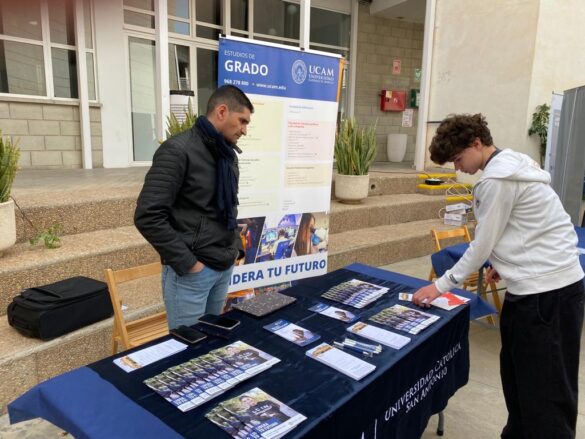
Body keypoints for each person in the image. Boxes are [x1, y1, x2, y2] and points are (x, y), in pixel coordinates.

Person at [413, 113, 584, 439]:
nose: (458, 168)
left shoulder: (497, 180)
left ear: (477, 143)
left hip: (546, 293)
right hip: (545, 287)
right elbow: (525, 225)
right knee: (520, 378)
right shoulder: (513, 164)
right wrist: (503, 261)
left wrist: (440, 286)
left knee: (545, 391)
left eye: (458, 158)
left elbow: (480, 245)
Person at [135, 85, 254, 330]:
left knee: (212, 341)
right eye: (242, 121)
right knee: (189, 347)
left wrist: (235, 248)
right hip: (192, 274)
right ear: (222, 111)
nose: (244, 130)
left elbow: (228, 207)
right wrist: (190, 264)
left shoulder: (227, 155)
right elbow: (148, 215)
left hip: (222, 266)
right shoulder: (177, 150)